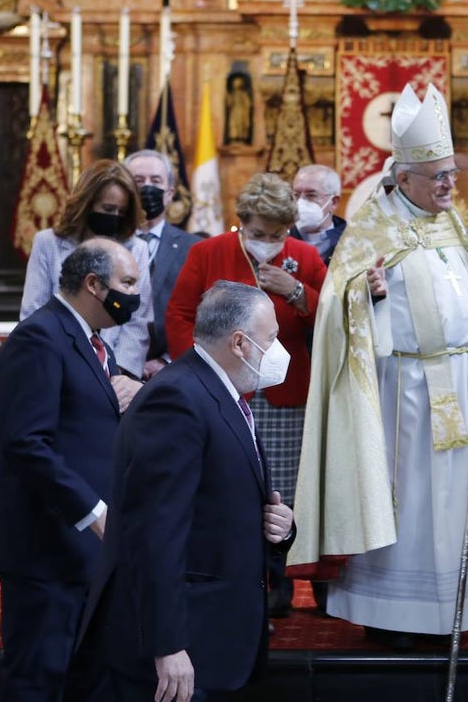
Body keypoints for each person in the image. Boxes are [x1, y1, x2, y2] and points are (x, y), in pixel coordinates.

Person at [288, 83, 468, 650]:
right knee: (410, 504)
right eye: (439, 175)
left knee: (451, 507)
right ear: (404, 178)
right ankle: (390, 612)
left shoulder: (449, 223)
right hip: (402, 396)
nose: (451, 184)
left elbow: (464, 295)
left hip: (459, 386)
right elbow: (336, 314)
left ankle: (449, 609)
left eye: (452, 172)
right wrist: (365, 297)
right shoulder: (372, 230)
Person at [80, 281, 295, 702]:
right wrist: (168, 644)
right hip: (182, 646)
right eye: (271, 338)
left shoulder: (220, 392)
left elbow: (222, 502)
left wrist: (280, 530)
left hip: (219, 631)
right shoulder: (177, 400)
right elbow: (153, 532)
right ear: (240, 343)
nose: (277, 348)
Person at [0, 239, 143, 702]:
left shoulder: (91, 341)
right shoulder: (39, 337)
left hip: (81, 549)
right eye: (127, 283)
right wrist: (94, 512)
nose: (135, 295)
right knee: (38, 678)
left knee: (83, 676)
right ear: (93, 284)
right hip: (45, 546)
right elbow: (27, 443)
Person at [166, 172, 325, 617]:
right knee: (232, 486)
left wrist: (295, 291)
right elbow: (179, 314)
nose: (268, 242)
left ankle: (278, 582)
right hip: (221, 392)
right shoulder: (208, 252)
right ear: (241, 224)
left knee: (279, 495)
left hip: (283, 395)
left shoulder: (305, 256)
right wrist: (199, 371)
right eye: (258, 234)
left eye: (278, 234)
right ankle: (233, 578)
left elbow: (330, 321)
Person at [20, 159, 154, 379]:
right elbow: (35, 310)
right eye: (108, 209)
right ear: (87, 203)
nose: (115, 217)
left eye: (122, 211)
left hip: (114, 372)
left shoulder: (136, 248)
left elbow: (138, 320)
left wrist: (118, 372)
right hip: (59, 365)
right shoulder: (48, 243)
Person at [124, 150, 198, 381]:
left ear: (170, 193)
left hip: (173, 372)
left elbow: (201, 315)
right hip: (114, 370)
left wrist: (168, 359)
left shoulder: (193, 248)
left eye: (155, 181)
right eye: (138, 181)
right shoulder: (106, 242)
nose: (147, 188)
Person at [288, 164, 346, 265]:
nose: (300, 202)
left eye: (311, 195)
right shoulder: (278, 238)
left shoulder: (351, 241)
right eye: (296, 195)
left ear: (333, 202)